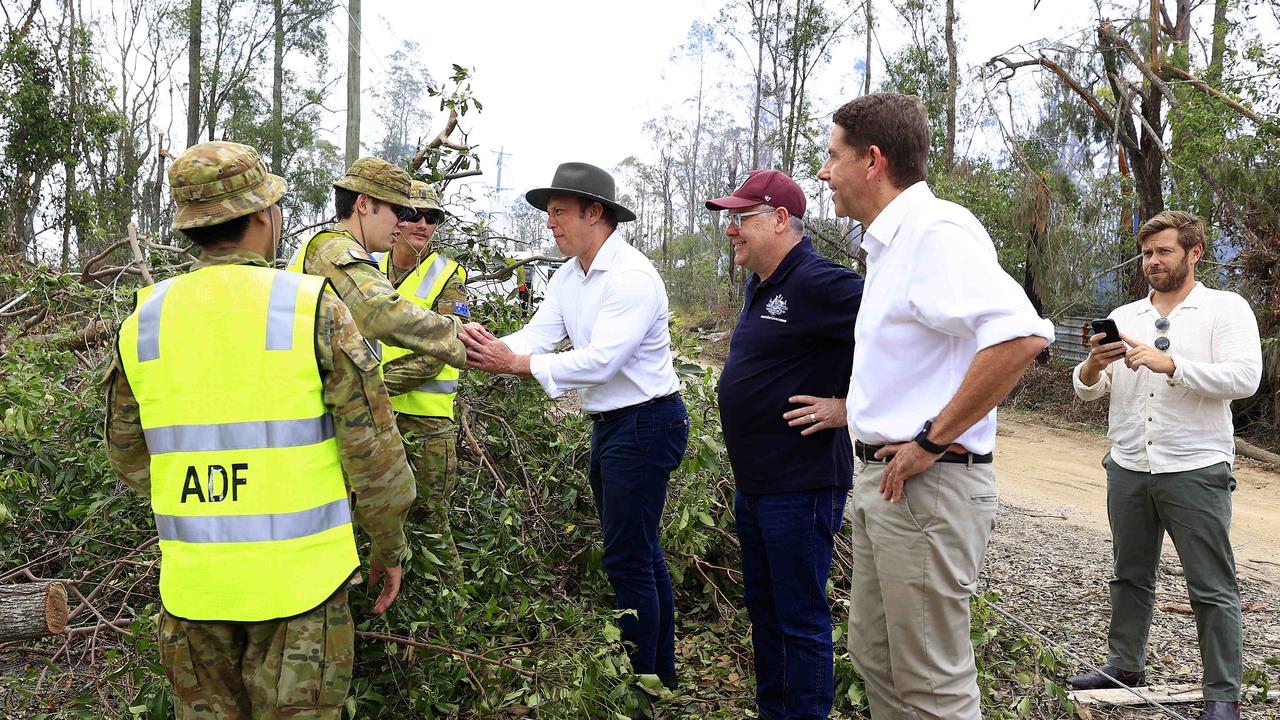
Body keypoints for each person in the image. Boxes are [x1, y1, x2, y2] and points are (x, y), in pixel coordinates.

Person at [104, 141, 415, 719]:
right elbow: (372, 452)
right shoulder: (310, 308)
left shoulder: (144, 321)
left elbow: (129, 459)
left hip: (195, 594)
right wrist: (389, 544)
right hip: (302, 597)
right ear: (261, 218)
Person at [817, 93, 1054, 720]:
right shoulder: (888, 245)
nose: (823, 171)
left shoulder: (934, 232)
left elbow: (1021, 335)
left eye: (832, 155)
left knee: (930, 684)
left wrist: (930, 439)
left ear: (872, 160)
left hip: (928, 485)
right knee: (877, 660)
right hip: (885, 484)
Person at [459, 162, 689, 694]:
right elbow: (538, 334)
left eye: (560, 212)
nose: (550, 224)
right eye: (549, 213)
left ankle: (643, 683)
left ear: (595, 213)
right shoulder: (570, 275)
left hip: (646, 423)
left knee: (627, 556)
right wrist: (482, 349)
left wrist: (516, 364)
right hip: (614, 426)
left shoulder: (630, 276)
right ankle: (661, 674)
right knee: (640, 549)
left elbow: (602, 361)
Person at [1065, 211, 1261, 720]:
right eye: (1148, 253)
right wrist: (1092, 365)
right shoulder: (1126, 314)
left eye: (1164, 252)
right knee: (1129, 573)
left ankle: (1222, 692)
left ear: (1194, 253)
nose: (1153, 261)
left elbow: (1245, 377)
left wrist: (1171, 364)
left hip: (1195, 464)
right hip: (1129, 462)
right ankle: (1124, 665)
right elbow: (1089, 391)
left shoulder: (1224, 308)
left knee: (1211, 583)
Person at [709, 169, 863, 720]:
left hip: (800, 485)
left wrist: (851, 407)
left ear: (780, 220)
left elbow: (906, 335)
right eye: (730, 218)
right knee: (766, 612)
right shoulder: (761, 282)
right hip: (757, 485)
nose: (731, 229)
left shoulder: (821, 282)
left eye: (741, 218)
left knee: (800, 619)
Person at [284, 156, 466, 370]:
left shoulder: (335, 247)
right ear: (363, 204)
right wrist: (457, 333)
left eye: (430, 218)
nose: (404, 222)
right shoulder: (337, 251)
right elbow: (384, 314)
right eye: (400, 212)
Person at [378, 180, 469, 569]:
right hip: (374, 418)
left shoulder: (448, 275)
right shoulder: (364, 265)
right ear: (395, 218)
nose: (423, 224)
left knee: (430, 521)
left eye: (433, 218)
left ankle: (453, 615)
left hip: (428, 424)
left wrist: (373, 385)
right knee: (373, 516)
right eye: (413, 214)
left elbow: (444, 348)